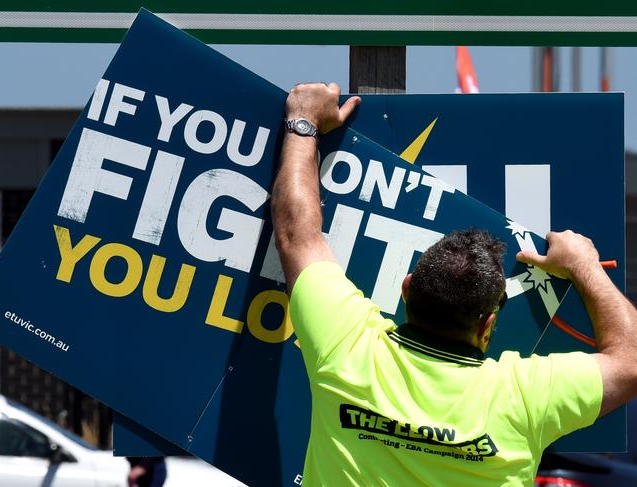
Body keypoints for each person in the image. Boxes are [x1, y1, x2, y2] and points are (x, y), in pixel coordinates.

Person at [271, 82, 637, 486]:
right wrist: (586, 267)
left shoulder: (348, 347)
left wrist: (302, 122)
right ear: (487, 327)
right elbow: (632, 361)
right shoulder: (523, 395)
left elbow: (296, 233)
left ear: (406, 288)